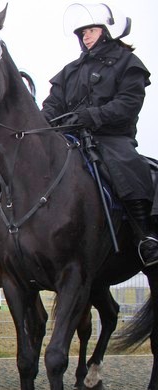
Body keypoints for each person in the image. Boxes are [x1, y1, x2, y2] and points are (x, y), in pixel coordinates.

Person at [41, 2, 157, 265]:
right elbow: (51, 104)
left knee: (126, 164)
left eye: (91, 30)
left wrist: (93, 116)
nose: (86, 37)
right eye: (83, 33)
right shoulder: (70, 70)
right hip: (71, 138)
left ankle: (145, 237)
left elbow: (129, 103)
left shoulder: (128, 63)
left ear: (107, 30)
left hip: (111, 138)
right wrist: (45, 121)